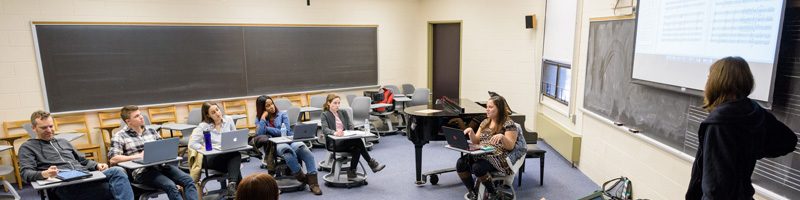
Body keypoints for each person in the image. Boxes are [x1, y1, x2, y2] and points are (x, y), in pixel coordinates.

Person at [686, 56, 797, 199]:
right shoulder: (754, 111)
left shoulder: (719, 123)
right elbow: (788, 140)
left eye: (709, 78)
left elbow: (715, 188)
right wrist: (751, 150)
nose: (706, 83)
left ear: (718, 82)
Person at [18, 110, 134, 200]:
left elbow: (83, 161)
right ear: (34, 128)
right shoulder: (27, 147)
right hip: (65, 185)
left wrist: (97, 165)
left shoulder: (63, 141)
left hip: (86, 176)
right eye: (44, 128)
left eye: (51, 126)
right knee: (119, 187)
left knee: (117, 171)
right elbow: (25, 173)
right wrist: (43, 173)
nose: (49, 130)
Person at [108, 105, 198, 200]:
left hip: (161, 166)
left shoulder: (151, 131)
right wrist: (137, 156)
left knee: (189, 180)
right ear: (128, 121)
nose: (141, 117)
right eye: (136, 116)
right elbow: (113, 159)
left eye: (140, 114)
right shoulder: (120, 136)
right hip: (142, 172)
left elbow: (163, 147)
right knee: (171, 186)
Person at [252, 95, 322, 195]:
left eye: (271, 103)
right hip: (275, 144)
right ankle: (303, 178)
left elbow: (285, 131)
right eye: (267, 106)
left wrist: (268, 129)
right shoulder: (259, 119)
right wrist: (263, 118)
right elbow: (260, 134)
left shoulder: (282, 114)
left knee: (306, 152)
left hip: (290, 139)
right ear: (262, 108)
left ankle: (314, 184)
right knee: (288, 153)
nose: (271, 107)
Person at [456, 95, 518, 200]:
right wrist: (471, 132)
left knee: (478, 167)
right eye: (487, 107)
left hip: (498, 156)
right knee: (460, 163)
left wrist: (502, 137)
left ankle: (493, 193)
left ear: (499, 109)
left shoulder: (509, 124)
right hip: (481, 153)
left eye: (490, 107)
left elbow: (510, 146)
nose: (487, 109)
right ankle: (473, 192)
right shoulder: (485, 122)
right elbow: (476, 141)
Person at [319, 94, 385, 179]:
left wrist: (351, 132)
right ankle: (372, 163)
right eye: (335, 103)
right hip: (334, 143)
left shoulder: (343, 112)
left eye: (339, 103)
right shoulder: (325, 114)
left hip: (346, 139)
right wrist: (335, 133)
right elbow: (325, 129)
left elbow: (350, 125)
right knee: (358, 142)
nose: (337, 105)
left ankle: (351, 172)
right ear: (328, 103)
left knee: (357, 149)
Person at [188, 102, 243, 198]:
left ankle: (232, 186)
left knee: (235, 155)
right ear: (208, 115)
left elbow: (235, 137)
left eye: (217, 110)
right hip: (211, 158)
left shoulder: (228, 120)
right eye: (213, 112)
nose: (217, 113)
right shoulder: (203, 126)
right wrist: (203, 148)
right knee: (235, 159)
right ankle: (237, 188)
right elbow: (192, 143)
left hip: (227, 156)